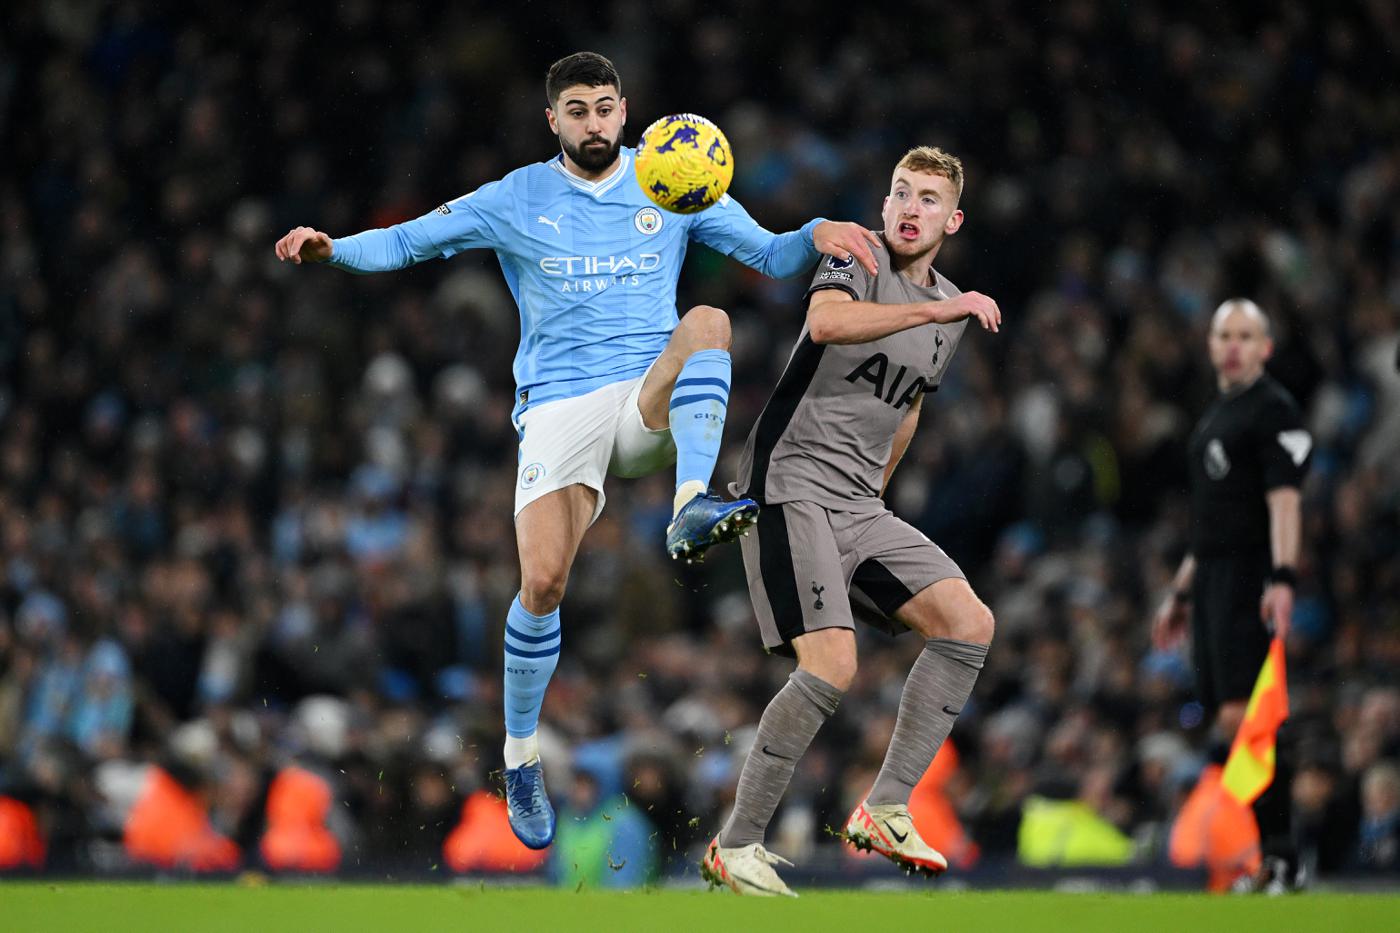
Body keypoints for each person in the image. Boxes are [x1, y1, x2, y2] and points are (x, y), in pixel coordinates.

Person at [274, 52, 880, 851]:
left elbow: (769, 255)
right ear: (551, 120)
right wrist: (332, 249)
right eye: (577, 110)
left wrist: (817, 231)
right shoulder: (514, 197)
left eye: (605, 108)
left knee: (708, 323)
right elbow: (409, 243)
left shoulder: (672, 178)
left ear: (625, 111)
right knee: (542, 580)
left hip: (642, 400)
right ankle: (520, 754)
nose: (594, 123)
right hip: (558, 411)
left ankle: (689, 502)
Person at [700, 146, 1001, 896]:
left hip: (859, 501)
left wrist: (879, 496)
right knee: (832, 664)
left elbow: (909, 407)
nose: (908, 207)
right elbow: (828, 325)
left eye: (927, 198)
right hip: (788, 481)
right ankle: (734, 845)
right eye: (900, 190)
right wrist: (937, 306)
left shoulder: (949, 310)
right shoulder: (855, 254)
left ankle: (888, 804)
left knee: (969, 622)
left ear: (952, 219)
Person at [1152, 298, 1312, 892]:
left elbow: (1285, 503)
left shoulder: (1273, 412)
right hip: (1214, 579)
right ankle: (1267, 855)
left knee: (1250, 719)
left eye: (1247, 335)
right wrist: (1179, 591)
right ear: (1212, 344)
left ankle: (1283, 856)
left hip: (1250, 576)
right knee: (1229, 719)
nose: (1235, 345)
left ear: (1266, 347)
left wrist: (1283, 576)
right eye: (1226, 335)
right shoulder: (1217, 416)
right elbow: (1209, 522)